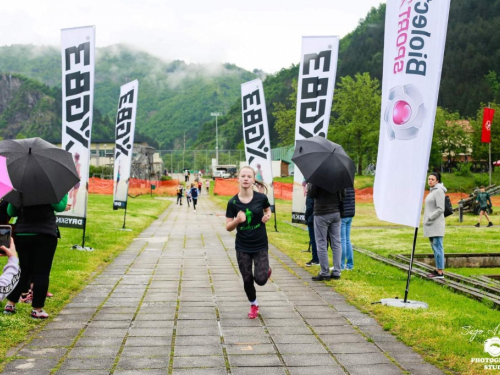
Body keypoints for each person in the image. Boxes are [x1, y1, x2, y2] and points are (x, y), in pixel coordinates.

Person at [4, 195, 70, 318]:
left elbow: (11, 211)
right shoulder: (51, 186)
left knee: (23, 270)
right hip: (45, 234)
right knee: (42, 272)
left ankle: (10, 304)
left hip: (22, 233)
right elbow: (60, 206)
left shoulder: (19, 186)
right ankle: (37, 309)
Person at [226, 166, 272, 319]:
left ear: (253, 180)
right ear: (238, 179)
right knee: (247, 278)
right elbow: (228, 227)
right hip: (243, 246)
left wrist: (267, 216)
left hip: (260, 244)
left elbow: (267, 210)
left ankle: (265, 270)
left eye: (249, 176)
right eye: (243, 176)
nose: (245, 179)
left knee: (261, 279)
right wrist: (238, 220)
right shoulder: (232, 202)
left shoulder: (261, 198)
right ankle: (254, 304)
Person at [309, 184, 343, 281]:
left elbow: (312, 194)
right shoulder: (338, 177)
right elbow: (343, 194)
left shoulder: (317, 178)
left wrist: (310, 186)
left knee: (321, 242)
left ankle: (325, 272)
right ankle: (337, 271)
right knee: (336, 242)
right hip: (336, 211)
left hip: (321, 212)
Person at [423, 172, 447, 279]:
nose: (430, 181)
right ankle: (437, 269)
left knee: (438, 247)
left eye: (432, 179)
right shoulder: (432, 191)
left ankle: (440, 272)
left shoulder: (438, 191)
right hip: (431, 224)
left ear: (437, 181)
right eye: (429, 179)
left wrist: (430, 217)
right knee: (434, 247)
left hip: (436, 224)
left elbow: (441, 209)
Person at [340, 187, 355, 270]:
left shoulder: (342, 185)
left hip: (343, 214)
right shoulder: (350, 184)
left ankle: (341, 265)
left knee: (342, 240)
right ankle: (349, 264)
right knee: (347, 240)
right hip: (350, 213)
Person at [304, 184, 319, 267]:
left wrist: (306, 216)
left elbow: (309, 206)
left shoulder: (311, 192)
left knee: (313, 239)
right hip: (320, 217)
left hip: (312, 218)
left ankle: (315, 259)